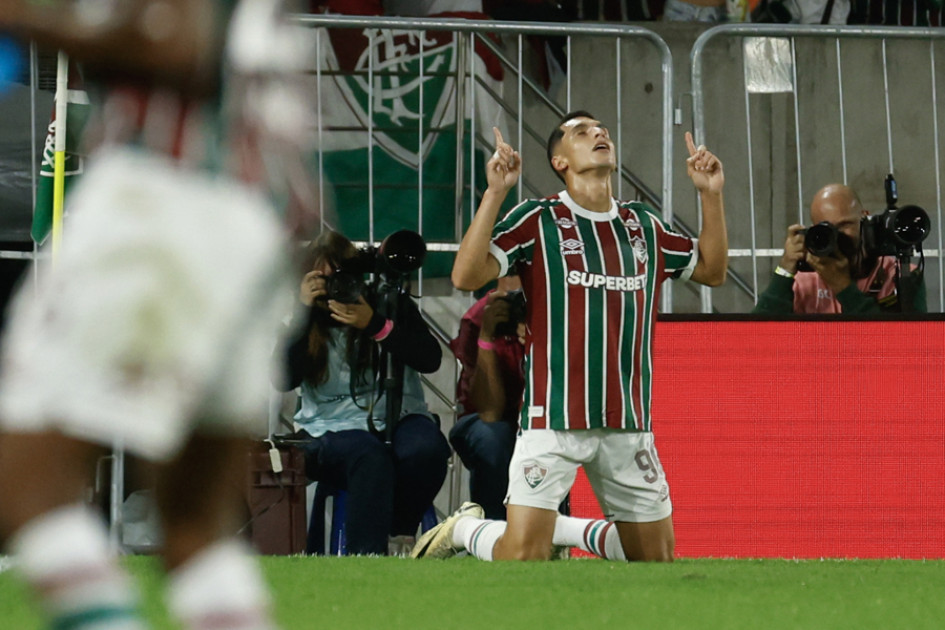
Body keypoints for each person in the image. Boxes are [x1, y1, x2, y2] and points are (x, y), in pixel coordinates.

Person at [0, 1, 313, 629]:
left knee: (25, 482)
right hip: (258, 213)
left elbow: (181, 48)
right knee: (194, 527)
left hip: (169, 199)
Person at [413, 111, 728, 562]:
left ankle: (559, 528)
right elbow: (466, 275)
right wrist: (496, 193)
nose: (599, 133)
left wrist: (709, 196)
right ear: (559, 161)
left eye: (602, 129)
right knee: (521, 557)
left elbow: (712, 271)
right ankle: (464, 529)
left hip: (627, 421)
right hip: (553, 419)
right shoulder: (538, 220)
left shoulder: (644, 226)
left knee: (655, 562)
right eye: (582, 132)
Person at [274, 230, 450, 556]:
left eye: (339, 278)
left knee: (426, 450)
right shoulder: (300, 317)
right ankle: (367, 557)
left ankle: (400, 533)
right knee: (369, 456)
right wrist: (302, 313)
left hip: (400, 416)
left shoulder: (386, 305)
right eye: (320, 280)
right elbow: (282, 379)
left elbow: (430, 359)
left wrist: (375, 324)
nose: (333, 289)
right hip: (325, 429)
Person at [752, 183, 927, 315]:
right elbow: (755, 334)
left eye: (845, 225)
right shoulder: (804, 280)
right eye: (827, 228)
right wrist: (784, 270)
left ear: (864, 217)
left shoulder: (900, 275)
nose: (838, 236)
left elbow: (903, 346)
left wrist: (842, 286)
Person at [448, 275, 526, 520]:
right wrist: (487, 339)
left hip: (539, 417)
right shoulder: (478, 318)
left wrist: (536, 343)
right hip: (482, 420)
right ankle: (493, 533)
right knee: (494, 437)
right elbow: (490, 412)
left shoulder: (554, 311)